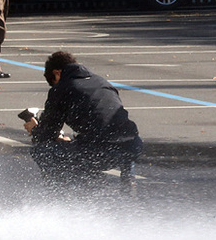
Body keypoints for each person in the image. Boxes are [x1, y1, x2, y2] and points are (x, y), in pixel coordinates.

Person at [22, 51, 143, 183]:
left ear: (57, 73)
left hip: (102, 150)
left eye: (53, 82)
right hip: (133, 145)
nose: (55, 86)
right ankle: (127, 186)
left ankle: (61, 197)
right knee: (119, 142)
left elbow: (45, 135)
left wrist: (34, 129)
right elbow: (104, 122)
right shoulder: (102, 82)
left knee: (42, 151)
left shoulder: (62, 88)